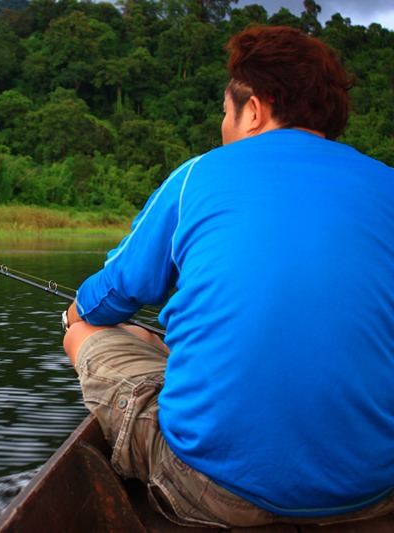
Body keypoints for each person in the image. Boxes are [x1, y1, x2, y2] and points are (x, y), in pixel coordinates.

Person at [62, 25, 394, 528]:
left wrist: (77, 312)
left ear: (254, 110)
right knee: (147, 336)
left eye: (224, 111)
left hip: (217, 493)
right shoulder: (386, 184)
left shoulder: (200, 174)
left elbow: (115, 291)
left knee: (90, 330)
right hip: (373, 490)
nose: (223, 125)